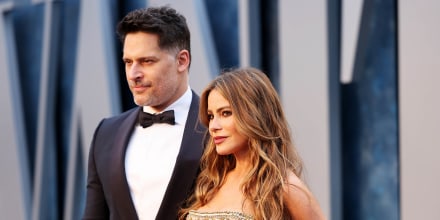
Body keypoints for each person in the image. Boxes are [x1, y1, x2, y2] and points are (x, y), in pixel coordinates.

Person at [83, 6, 206, 220]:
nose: (133, 74)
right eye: (128, 62)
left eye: (147, 61)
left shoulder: (217, 130)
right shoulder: (106, 133)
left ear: (182, 60)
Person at [178, 67, 326, 220]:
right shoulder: (213, 179)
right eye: (210, 116)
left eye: (225, 113)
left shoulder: (285, 186)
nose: (213, 126)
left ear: (254, 115)